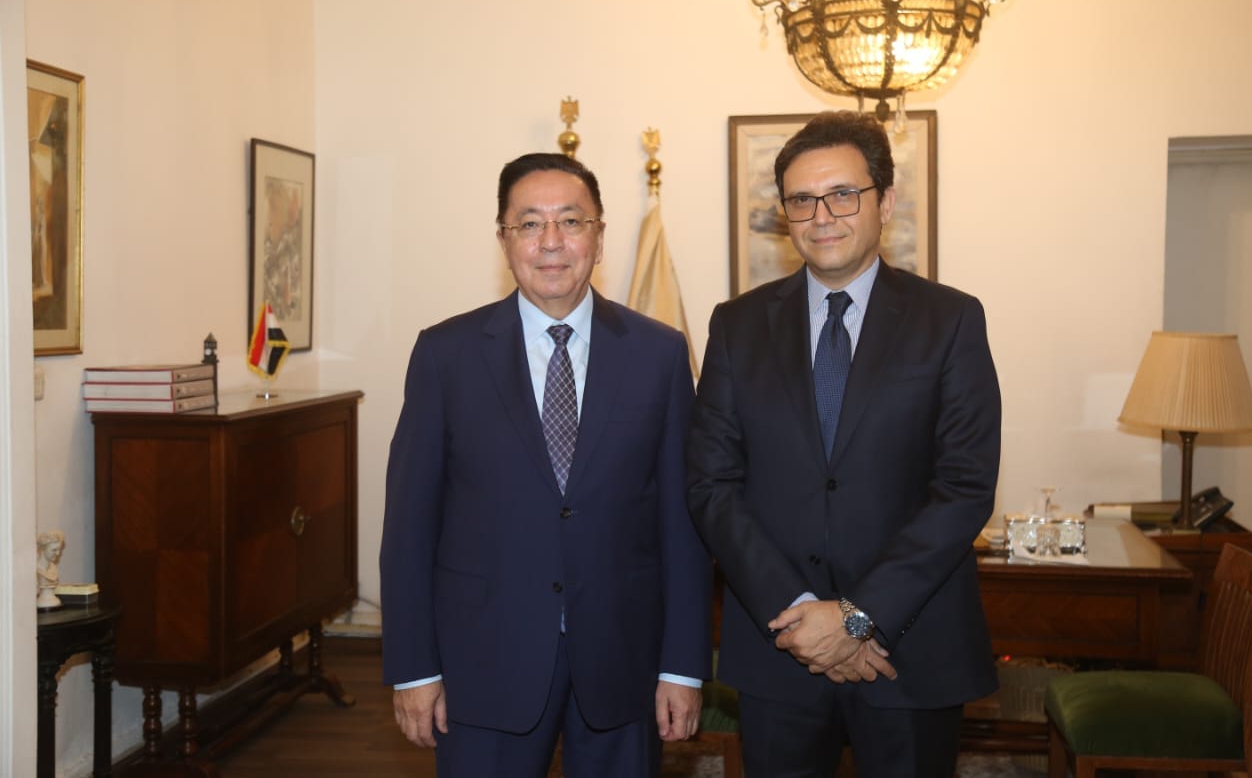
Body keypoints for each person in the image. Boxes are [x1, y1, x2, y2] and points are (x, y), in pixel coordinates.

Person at [686, 111, 1001, 777]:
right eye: (801, 199)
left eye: (842, 194)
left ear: (884, 202)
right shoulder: (737, 325)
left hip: (909, 650)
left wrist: (857, 618)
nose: (821, 215)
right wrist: (806, 617)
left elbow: (964, 488)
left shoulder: (950, 320)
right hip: (780, 649)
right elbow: (712, 485)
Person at [381, 152, 711, 778]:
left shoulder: (660, 354)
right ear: (504, 240)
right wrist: (414, 669)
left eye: (571, 221)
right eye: (530, 224)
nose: (551, 242)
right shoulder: (445, 355)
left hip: (623, 661)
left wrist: (683, 666)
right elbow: (409, 526)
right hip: (483, 662)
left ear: (599, 237)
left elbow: (682, 523)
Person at [36, 529, 66, 609]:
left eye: (59, 550)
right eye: (54, 550)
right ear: (42, 549)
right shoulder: (36, 569)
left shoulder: (53, 568)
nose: (58, 553)